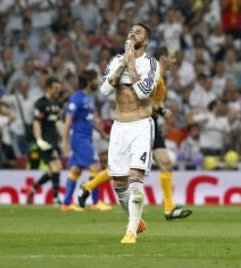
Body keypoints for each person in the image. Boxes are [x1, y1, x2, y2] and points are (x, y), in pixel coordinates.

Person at [78, 47, 193, 221]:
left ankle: (169, 208)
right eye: (172, 57)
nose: (175, 60)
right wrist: (162, 110)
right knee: (124, 168)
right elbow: (143, 98)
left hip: (150, 122)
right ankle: (88, 186)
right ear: (163, 57)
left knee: (165, 162)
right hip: (140, 124)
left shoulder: (161, 75)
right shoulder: (151, 72)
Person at [96, 23, 160, 243]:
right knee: (119, 184)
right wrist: (123, 63)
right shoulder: (116, 60)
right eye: (131, 31)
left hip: (141, 125)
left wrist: (131, 64)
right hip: (119, 127)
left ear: (147, 41)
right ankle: (137, 220)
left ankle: (130, 232)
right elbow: (104, 91)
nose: (133, 33)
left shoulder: (151, 64)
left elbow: (143, 93)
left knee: (135, 181)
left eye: (139, 32)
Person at [61, 70, 112, 212]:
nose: (98, 80)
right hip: (79, 139)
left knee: (76, 170)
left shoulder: (90, 97)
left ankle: (66, 204)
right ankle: (96, 202)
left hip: (86, 138)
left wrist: (102, 133)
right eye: (96, 78)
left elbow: (90, 120)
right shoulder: (76, 98)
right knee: (95, 167)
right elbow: (68, 121)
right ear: (89, 81)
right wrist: (65, 142)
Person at [26, 77, 63, 205]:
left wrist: (63, 138)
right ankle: (55, 198)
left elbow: (57, 123)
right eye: (55, 88)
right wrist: (39, 140)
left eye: (59, 89)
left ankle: (33, 188)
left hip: (54, 140)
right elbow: (36, 123)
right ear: (48, 88)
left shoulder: (56, 104)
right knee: (56, 167)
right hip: (45, 141)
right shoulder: (40, 104)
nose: (57, 91)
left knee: (53, 170)